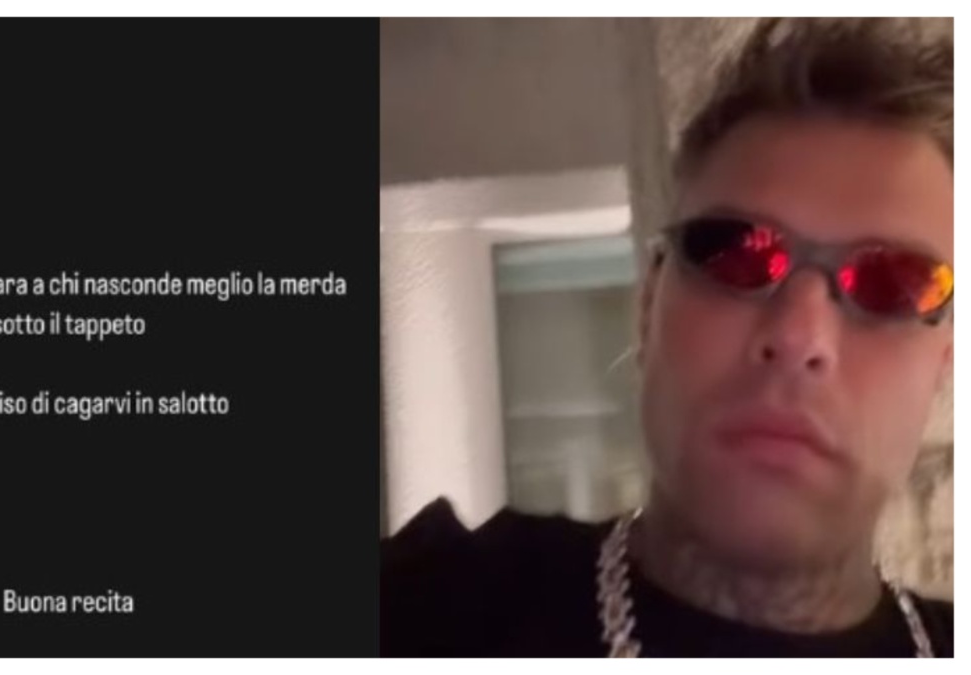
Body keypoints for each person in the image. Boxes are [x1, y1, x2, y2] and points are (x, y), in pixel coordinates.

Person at [380, 18, 954, 657]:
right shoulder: (423, 608)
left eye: (890, 284)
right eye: (737, 254)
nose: (799, 334)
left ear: (941, 367)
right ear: (649, 305)